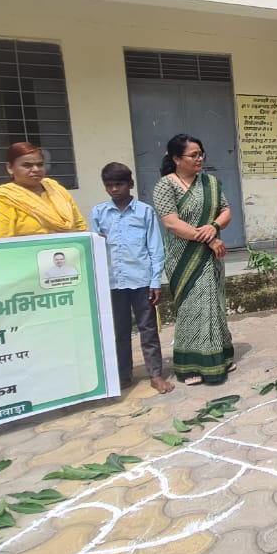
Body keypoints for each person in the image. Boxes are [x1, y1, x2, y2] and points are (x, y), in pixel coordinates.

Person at [153, 134, 235, 386]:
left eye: (201, 154)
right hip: (184, 257)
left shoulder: (209, 182)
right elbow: (171, 222)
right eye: (193, 155)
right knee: (192, 308)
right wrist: (209, 238)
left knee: (213, 304)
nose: (199, 159)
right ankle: (192, 366)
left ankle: (220, 356)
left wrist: (214, 225)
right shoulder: (165, 186)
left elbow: (226, 211)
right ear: (176, 159)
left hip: (211, 257)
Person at [90, 162, 170, 393]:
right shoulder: (99, 213)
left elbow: (155, 247)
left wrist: (156, 281)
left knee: (148, 329)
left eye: (119, 184)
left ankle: (155, 374)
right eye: (109, 185)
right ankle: (124, 375)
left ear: (130, 184)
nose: (114, 189)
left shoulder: (145, 212)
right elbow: (94, 249)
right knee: (120, 330)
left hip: (141, 280)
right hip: (113, 282)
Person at [0, 142, 87, 239]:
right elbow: (0, 244)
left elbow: (80, 227)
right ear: (10, 168)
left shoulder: (56, 190)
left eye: (40, 164)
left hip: (66, 258)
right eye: (27, 165)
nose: (36, 169)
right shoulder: (0, 201)